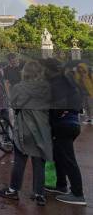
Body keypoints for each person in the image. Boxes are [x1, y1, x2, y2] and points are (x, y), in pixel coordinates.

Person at [0, 61, 52, 206]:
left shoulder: (19, 87)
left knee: (20, 161)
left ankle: (13, 190)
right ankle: (39, 194)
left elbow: (14, 105)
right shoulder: (46, 88)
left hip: (24, 127)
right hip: (42, 128)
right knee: (39, 162)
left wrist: (9, 90)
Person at [45, 61, 87, 206]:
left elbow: (59, 104)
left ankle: (77, 193)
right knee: (60, 155)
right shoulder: (68, 82)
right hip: (71, 123)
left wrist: (54, 117)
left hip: (63, 124)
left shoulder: (58, 83)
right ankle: (61, 184)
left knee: (68, 159)